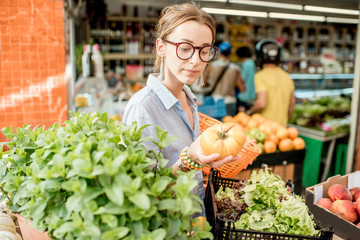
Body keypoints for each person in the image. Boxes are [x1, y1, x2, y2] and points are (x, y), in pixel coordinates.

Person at [122, 2, 240, 217]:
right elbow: (139, 195)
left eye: (204, 50)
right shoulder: (144, 108)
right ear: (161, 47)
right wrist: (189, 161)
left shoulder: (187, 97)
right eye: (185, 48)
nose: (195, 61)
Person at [247, 39, 296, 127]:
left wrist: (249, 112)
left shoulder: (260, 76)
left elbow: (261, 103)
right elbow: (292, 102)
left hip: (265, 127)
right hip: (281, 127)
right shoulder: (286, 76)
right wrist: (286, 120)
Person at [202, 42, 246, 115]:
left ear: (219, 52)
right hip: (230, 101)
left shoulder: (211, 66)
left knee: (215, 125)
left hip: (215, 100)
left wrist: (211, 84)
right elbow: (242, 88)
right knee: (229, 124)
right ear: (230, 53)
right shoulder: (235, 69)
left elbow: (203, 83)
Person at [236, 46, 256, 112]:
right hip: (252, 95)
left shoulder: (246, 64)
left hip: (244, 95)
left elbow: (242, 79)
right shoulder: (252, 63)